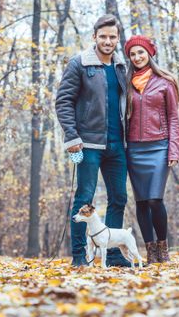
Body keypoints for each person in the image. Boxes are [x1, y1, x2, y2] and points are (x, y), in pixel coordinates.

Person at [55, 14, 131, 267]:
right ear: (94, 37)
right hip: (87, 144)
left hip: (117, 145)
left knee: (119, 197)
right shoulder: (79, 64)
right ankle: (79, 256)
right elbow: (63, 101)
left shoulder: (121, 66)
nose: (108, 41)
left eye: (112, 36)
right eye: (103, 36)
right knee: (84, 198)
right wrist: (72, 136)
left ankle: (114, 255)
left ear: (118, 38)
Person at [124, 35, 179, 264]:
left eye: (141, 52)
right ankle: (150, 250)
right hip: (134, 149)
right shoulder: (125, 83)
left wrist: (173, 150)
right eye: (133, 54)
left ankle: (163, 247)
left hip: (159, 146)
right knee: (141, 202)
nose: (137, 57)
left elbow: (174, 118)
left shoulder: (165, 82)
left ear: (149, 53)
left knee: (155, 199)